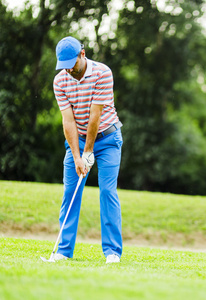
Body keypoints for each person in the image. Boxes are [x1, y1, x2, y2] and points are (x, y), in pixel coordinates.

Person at [52, 36, 123, 264]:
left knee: (107, 191)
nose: (68, 71)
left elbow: (95, 116)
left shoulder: (102, 73)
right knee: (70, 192)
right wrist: (77, 155)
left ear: (82, 54)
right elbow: (68, 122)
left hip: (108, 138)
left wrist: (89, 152)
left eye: (71, 64)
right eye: (63, 67)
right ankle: (63, 251)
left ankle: (112, 252)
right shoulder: (60, 81)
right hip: (78, 140)